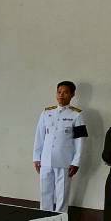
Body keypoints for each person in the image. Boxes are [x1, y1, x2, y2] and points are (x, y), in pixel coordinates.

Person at [33, 80, 86, 213]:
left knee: (62, 195)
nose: (61, 95)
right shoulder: (46, 113)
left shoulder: (77, 115)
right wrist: (36, 157)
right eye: (59, 92)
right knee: (45, 193)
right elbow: (39, 136)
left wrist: (76, 162)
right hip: (46, 160)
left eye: (65, 92)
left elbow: (80, 141)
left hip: (64, 161)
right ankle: (44, 219)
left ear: (72, 95)